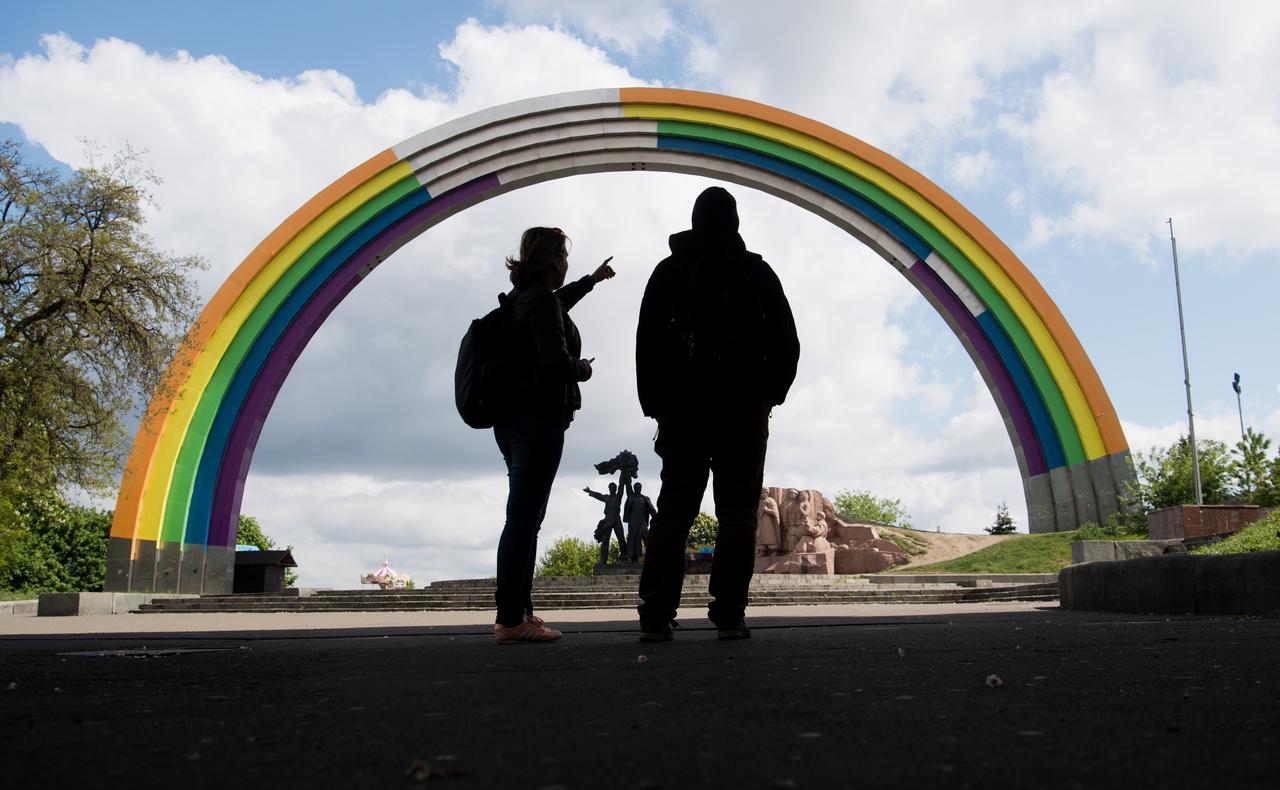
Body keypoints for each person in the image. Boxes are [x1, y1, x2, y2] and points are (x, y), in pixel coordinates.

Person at [634, 186, 800, 642]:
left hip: (683, 411)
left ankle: (655, 613)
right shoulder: (756, 273)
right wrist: (770, 396)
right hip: (743, 412)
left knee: (673, 512)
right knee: (738, 515)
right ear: (735, 223)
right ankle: (729, 613)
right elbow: (788, 343)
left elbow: (646, 344)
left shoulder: (668, 272)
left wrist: (656, 404)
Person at [493, 227, 615, 643]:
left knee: (524, 519)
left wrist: (592, 282)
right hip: (537, 421)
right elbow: (557, 363)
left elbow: (559, 304)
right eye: (564, 256)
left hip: (510, 422)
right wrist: (585, 369)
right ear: (551, 260)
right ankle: (511, 620)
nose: (568, 263)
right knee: (524, 521)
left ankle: (518, 613)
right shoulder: (540, 301)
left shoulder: (522, 300)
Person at [584, 482, 626, 564]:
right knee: (605, 540)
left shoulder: (618, 496)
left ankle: (624, 557)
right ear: (609, 488)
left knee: (621, 539)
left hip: (617, 520)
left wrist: (624, 474)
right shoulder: (606, 497)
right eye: (610, 487)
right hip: (608, 520)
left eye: (613, 488)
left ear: (616, 489)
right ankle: (603, 559)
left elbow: (621, 486)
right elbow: (599, 495)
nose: (611, 489)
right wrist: (590, 491)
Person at [623, 481, 658, 561]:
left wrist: (656, 518)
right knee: (633, 539)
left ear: (641, 488)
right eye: (636, 487)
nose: (638, 489)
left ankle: (652, 556)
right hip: (633, 521)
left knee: (646, 537)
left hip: (642, 520)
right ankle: (634, 558)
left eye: (639, 487)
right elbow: (628, 485)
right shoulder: (631, 497)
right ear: (634, 489)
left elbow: (652, 509)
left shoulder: (645, 498)